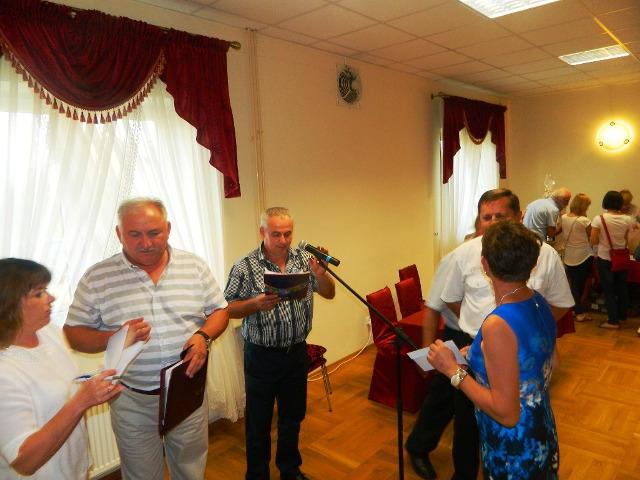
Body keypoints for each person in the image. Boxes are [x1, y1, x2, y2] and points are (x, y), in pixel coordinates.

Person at [64, 198, 229, 480]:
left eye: (154, 233)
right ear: (119, 234)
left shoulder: (194, 266)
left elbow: (220, 310)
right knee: (141, 475)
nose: (146, 243)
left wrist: (203, 335)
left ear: (168, 229)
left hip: (186, 390)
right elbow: (73, 334)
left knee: (190, 469)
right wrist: (116, 337)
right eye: (134, 234)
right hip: (132, 400)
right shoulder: (97, 277)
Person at [434, 188, 572, 480]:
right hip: (540, 425)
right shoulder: (538, 301)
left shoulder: (497, 324)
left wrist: (452, 371)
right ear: (532, 263)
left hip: (514, 444)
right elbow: (551, 362)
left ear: (485, 265)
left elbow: (506, 414)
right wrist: (479, 354)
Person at [224, 207, 335, 480]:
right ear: (262, 232)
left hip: (296, 352)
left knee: (292, 418)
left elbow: (330, 293)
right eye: (276, 234)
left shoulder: (305, 260)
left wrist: (321, 275)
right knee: (258, 423)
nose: (283, 240)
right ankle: (257, 475)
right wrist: (254, 304)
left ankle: (290, 469)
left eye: (288, 234)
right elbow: (227, 309)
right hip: (261, 356)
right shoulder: (244, 266)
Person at [0, 258, 122, 479]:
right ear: (10, 304)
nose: (51, 298)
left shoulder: (50, 333)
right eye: (39, 294)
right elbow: (24, 462)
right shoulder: (4, 370)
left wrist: (95, 385)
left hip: (74, 468)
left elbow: (64, 389)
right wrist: (82, 400)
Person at [404, 250, 463, 480]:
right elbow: (432, 308)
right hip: (458, 336)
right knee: (442, 398)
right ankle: (418, 447)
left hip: (490, 336)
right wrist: (425, 355)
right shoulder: (454, 259)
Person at [590, 191, 635, 330]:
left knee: (608, 290)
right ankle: (622, 316)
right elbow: (627, 238)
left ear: (605, 202)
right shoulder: (628, 219)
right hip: (622, 258)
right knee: (622, 288)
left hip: (605, 258)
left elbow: (593, 240)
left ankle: (613, 321)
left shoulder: (599, 219)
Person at [560, 193, 593, 322]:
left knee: (573, 284)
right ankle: (579, 313)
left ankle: (574, 310)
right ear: (583, 206)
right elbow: (592, 238)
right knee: (580, 286)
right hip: (583, 255)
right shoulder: (584, 221)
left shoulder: (563, 217)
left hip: (569, 255)